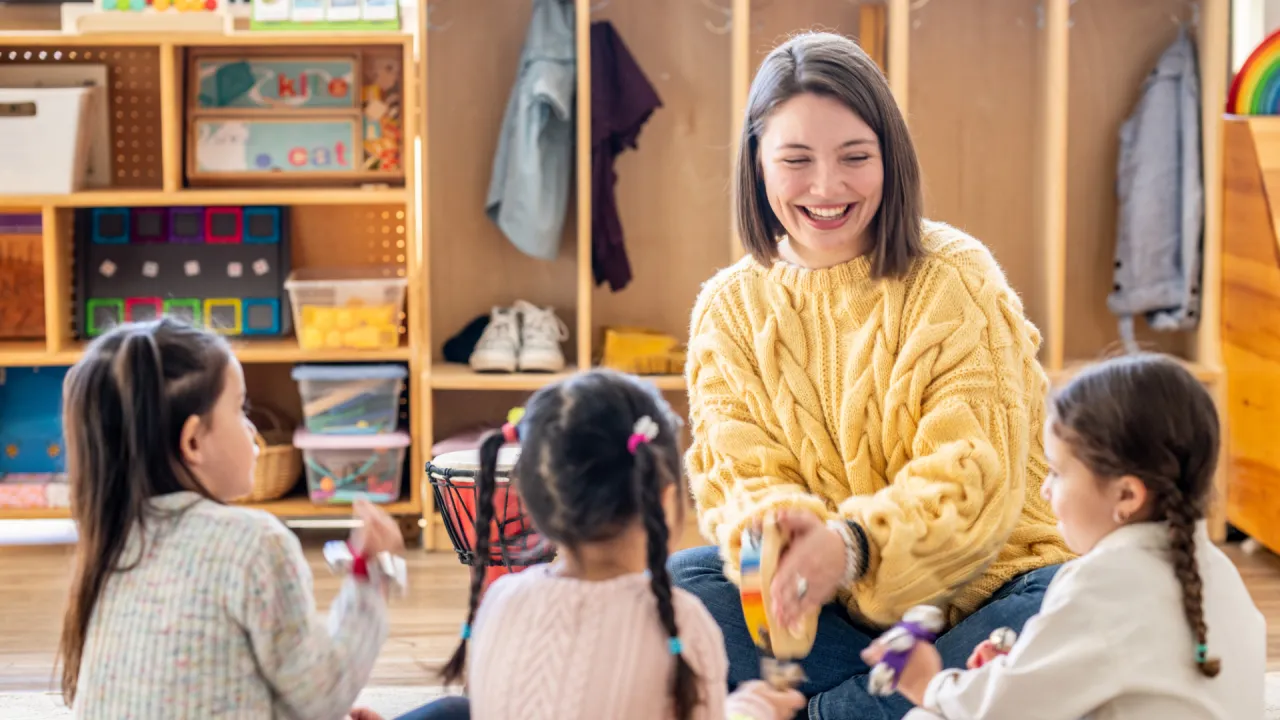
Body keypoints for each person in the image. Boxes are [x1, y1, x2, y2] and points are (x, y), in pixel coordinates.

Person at [670, 30, 1074, 718]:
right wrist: (781, 536)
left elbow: (973, 478)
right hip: (835, 620)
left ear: (890, 158)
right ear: (756, 164)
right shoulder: (727, 310)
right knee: (677, 592)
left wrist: (852, 545)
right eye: (796, 160)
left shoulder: (955, 277)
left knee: (1062, 620)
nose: (827, 188)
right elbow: (737, 483)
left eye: (855, 157)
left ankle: (822, 711)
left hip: (990, 592)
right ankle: (902, 704)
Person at [356, 369, 806, 720]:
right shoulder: (684, 624)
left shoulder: (502, 600)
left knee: (453, 711)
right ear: (667, 500)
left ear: (534, 500)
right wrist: (750, 709)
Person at [864, 353, 1266, 719]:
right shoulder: (1222, 573)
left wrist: (928, 685)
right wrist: (1022, 665)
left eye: (1056, 472)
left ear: (1126, 495)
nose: (1045, 489)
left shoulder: (1101, 583)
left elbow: (998, 709)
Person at [56, 318, 404, 719]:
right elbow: (323, 694)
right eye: (241, 409)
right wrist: (369, 573)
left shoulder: (112, 541)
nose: (252, 428)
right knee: (453, 710)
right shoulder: (252, 543)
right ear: (192, 442)